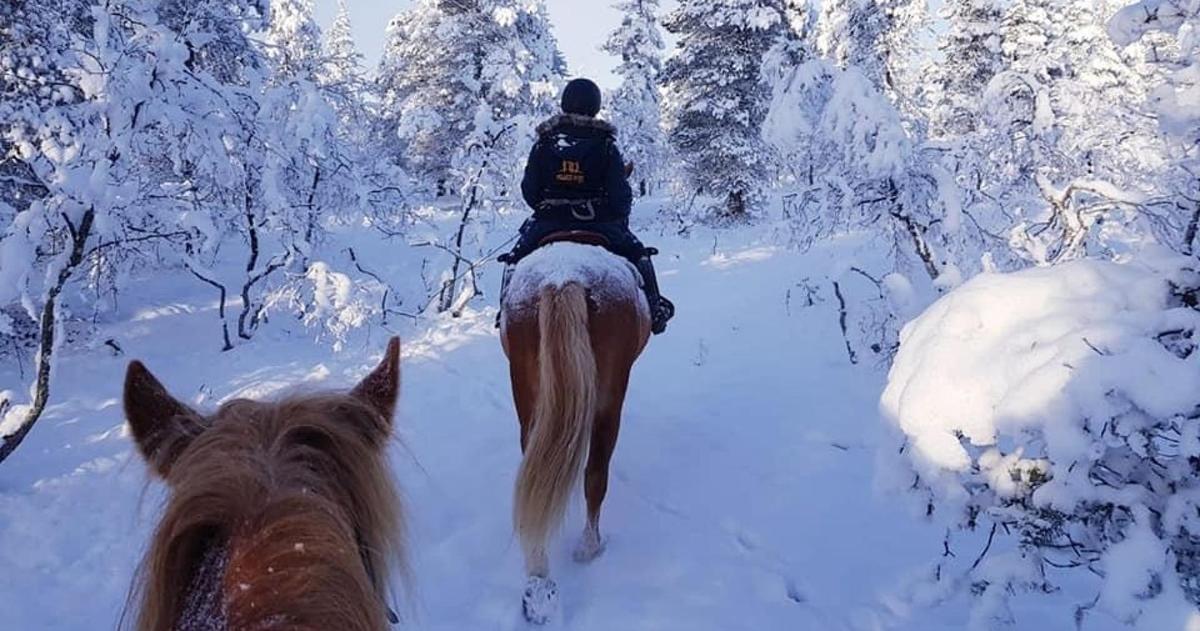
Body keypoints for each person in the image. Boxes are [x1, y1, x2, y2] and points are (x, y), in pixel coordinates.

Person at [498, 78, 675, 334]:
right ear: (595, 106)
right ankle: (655, 307)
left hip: (548, 222)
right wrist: (614, 215)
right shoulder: (605, 145)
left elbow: (530, 191)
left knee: (513, 261)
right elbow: (620, 197)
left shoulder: (544, 143)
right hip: (599, 223)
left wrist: (547, 207)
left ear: (565, 104)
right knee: (639, 254)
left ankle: (503, 314)